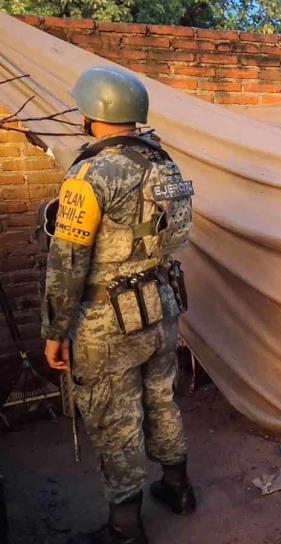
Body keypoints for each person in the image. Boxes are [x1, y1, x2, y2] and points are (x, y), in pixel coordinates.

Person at [42, 66, 195, 544]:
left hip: (108, 321)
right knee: (161, 398)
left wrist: (55, 329)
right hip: (162, 304)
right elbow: (178, 236)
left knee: (115, 416)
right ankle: (178, 488)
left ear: (94, 114)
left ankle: (125, 527)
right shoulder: (168, 165)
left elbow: (67, 261)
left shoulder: (89, 175)